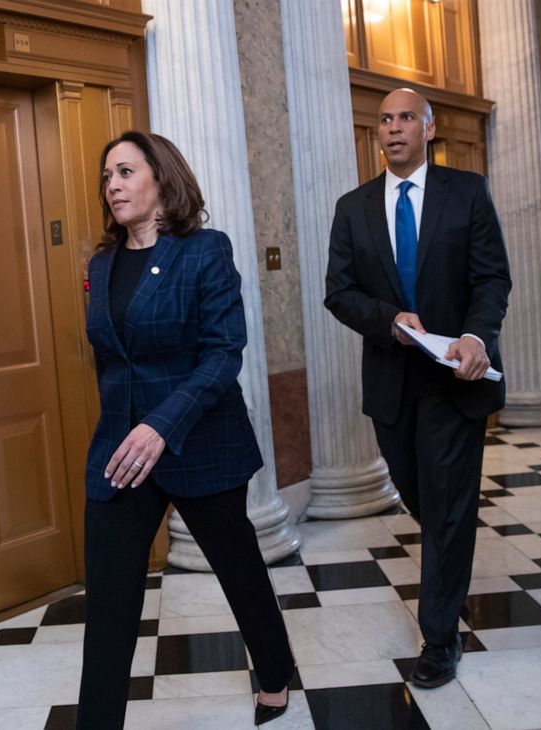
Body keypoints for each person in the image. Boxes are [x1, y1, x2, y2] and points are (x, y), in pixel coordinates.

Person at [76, 131, 295, 729]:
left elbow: (223, 354)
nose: (112, 185)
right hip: (122, 452)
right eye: (106, 176)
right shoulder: (100, 264)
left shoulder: (204, 252)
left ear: (161, 178)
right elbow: (111, 361)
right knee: (112, 604)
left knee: (240, 571)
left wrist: (159, 426)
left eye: (124, 171)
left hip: (201, 440)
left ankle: (275, 672)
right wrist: (129, 430)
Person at [324, 88, 511, 688]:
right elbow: (339, 291)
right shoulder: (353, 208)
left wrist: (478, 337)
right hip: (392, 382)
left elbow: (491, 278)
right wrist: (389, 321)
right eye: (385, 119)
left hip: (456, 379)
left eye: (407, 117)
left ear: (428, 128)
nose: (394, 127)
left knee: (449, 505)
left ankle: (439, 637)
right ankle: (447, 579)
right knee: (425, 500)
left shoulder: (467, 192)